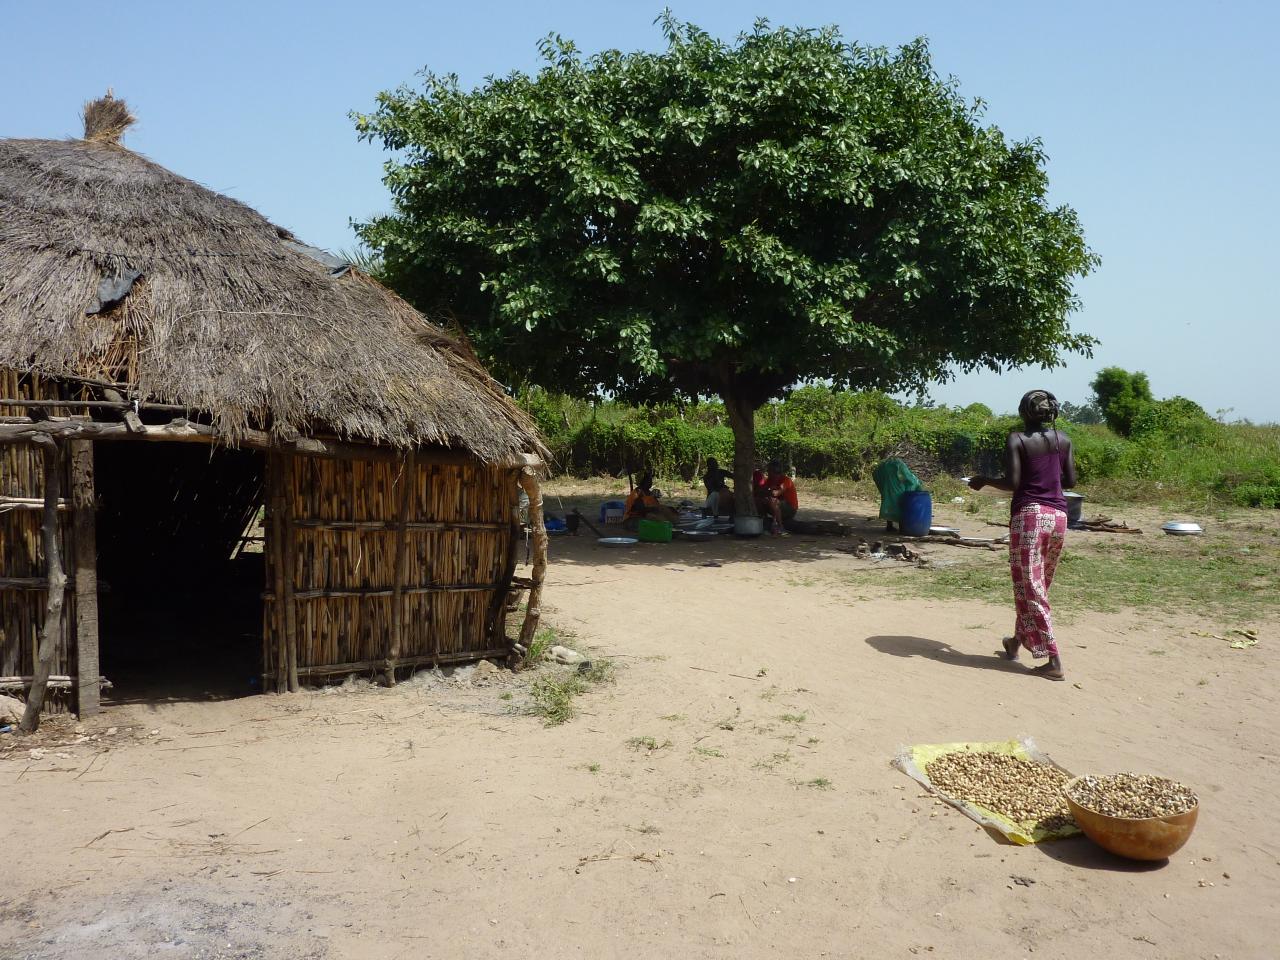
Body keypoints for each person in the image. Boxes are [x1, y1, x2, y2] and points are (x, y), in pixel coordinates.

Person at [968, 390, 1077, 681]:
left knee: (1030, 587)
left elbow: (1013, 482)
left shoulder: (1016, 440)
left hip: (1030, 517)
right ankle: (1015, 642)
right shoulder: (1063, 439)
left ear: (1024, 413)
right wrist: (1046, 476)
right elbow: (1070, 480)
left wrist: (984, 481)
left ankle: (1053, 661)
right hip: (1059, 518)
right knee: (1037, 585)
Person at [872, 458, 923, 532]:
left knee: (888, 503)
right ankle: (902, 527)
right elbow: (908, 478)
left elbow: (875, 473)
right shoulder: (901, 466)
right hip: (896, 487)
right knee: (901, 505)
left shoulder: (888, 465)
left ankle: (889, 525)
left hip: (886, 485)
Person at [755, 459, 798, 536]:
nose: (769, 473)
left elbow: (775, 493)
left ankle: (781, 527)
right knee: (759, 500)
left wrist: (768, 491)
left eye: (770, 471)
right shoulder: (769, 480)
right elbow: (760, 491)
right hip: (777, 506)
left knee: (773, 500)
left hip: (790, 508)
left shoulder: (786, 480)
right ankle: (764, 524)